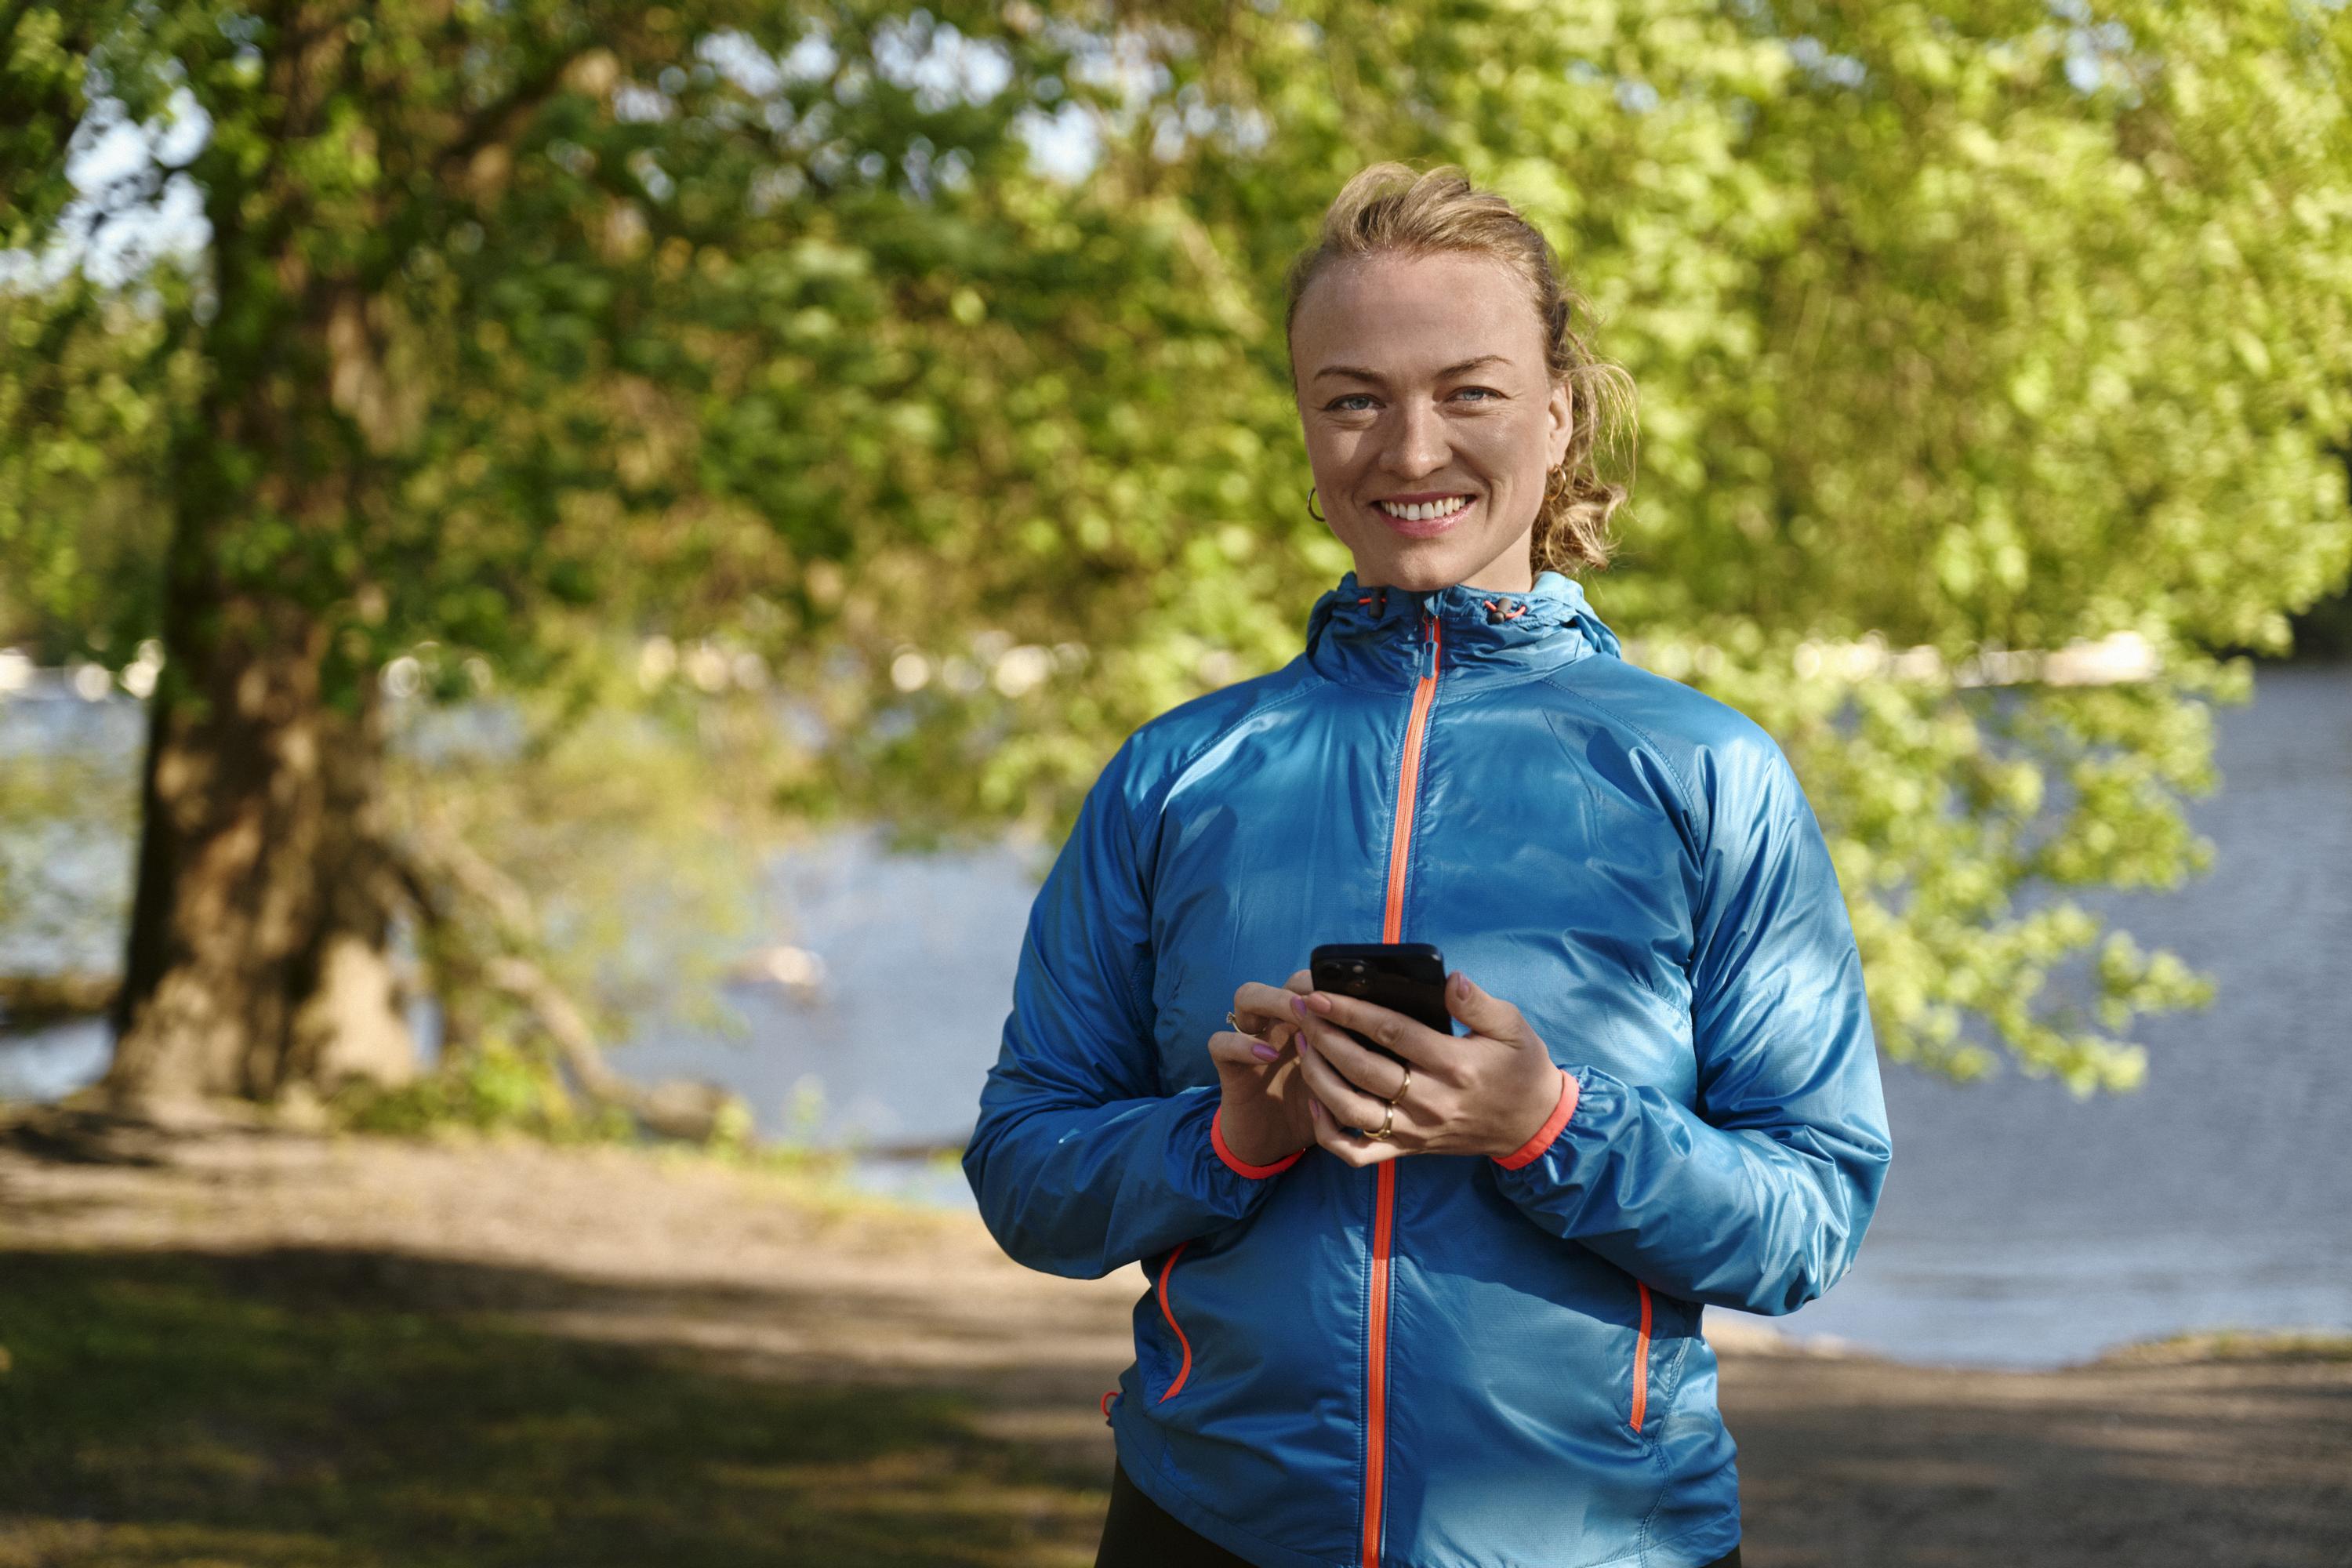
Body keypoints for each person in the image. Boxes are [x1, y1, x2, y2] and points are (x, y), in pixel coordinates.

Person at [962, 161, 1893, 1568]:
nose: (1409, 452)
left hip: (1602, 1539)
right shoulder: (1175, 773)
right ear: (1304, 424)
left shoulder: (1708, 774)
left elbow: (1809, 1216)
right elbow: (1025, 1169)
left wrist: (1547, 1124)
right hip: (1211, 1527)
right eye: (1354, 397)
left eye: (1469, 391)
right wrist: (1228, 1142)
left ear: (1558, 412)